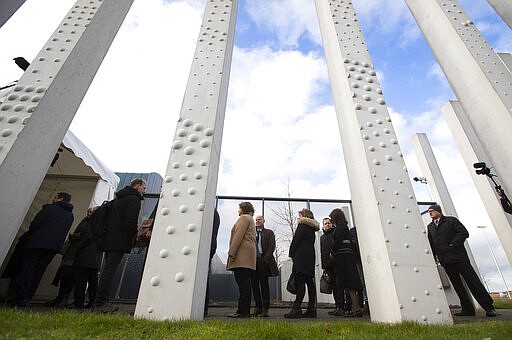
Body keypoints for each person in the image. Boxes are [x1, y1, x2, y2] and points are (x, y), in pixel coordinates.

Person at [426, 204, 497, 317]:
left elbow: (464, 232)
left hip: (459, 257)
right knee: (457, 285)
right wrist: (434, 257)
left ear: (439, 211)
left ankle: (489, 308)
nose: (430, 213)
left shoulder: (451, 221)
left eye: (432, 211)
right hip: (445, 260)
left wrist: (453, 244)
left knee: (473, 282)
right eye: (429, 211)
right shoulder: (430, 227)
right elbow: (431, 243)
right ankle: (467, 309)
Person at [93, 178, 145, 313]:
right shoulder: (134, 200)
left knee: (106, 271)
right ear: (138, 186)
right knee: (109, 271)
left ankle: (100, 301)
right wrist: (133, 238)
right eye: (143, 188)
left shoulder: (118, 199)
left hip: (109, 239)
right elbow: (130, 222)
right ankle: (100, 303)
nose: (144, 191)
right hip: (120, 240)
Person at [15, 192, 74, 306]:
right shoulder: (70, 215)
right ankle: (29, 296)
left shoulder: (49, 208)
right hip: (53, 247)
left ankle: (22, 296)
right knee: (39, 271)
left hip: (37, 243)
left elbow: (35, 224)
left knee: (28, 270)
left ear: (59, 199)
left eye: (55, 197)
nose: (53, 198)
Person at [284, 208, 319, 319]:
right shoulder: (312, 228)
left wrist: (291, 253)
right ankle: (311, 309)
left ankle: (296, 308)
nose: (298, 218)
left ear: (304, 216)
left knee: (300, 282)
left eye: (300, 215)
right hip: (310, 257)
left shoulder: (302, 225)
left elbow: (296, 240)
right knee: (309, 282)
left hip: (301, 257)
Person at [329, 208, 363, 317]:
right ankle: (355, 308)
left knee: (348, 283)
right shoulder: (344, 226)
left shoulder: (340, 227)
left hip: (343, 258)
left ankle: (356, 308)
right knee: (350, 284)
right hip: (347, 257)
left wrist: (332, 251)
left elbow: (338, 241)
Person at [226, 202, 256, 318]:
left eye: (239, 208)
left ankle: (242, 311)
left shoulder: (244, 218)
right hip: (248, 256)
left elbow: (238, 235)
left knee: (243, 285)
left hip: (241, 256)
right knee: (245, 285)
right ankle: (244, 311)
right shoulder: (250, 219)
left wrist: (231, 252)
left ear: (243, 209)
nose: (238, 211)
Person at [72, 207, 101, 309]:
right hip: (95, 257)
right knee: (93, 281)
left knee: (81, 281)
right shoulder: (102, 224)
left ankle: (78, 303)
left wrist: (78, 247)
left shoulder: (90, 223)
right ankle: (92, 302)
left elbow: (87, 237)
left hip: (85, 255)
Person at [250, 215, 279, 317]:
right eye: (256, 220)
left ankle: (265, 309)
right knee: (254, 285)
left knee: (264, 285)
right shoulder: (251, 233)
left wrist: (266, 258)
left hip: (264, 260)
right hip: (253, 261)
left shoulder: (269, 232)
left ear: (263, 221)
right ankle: (258, 307)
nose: (257, 221)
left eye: (259, 220)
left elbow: (272, 245)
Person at [320, 217, 338, 315]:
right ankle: (337, 306)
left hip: (336, 264)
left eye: (329, 223)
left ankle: (340, 306)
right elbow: (322, 251)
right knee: (333, 286)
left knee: (338, 286)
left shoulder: (335, 234)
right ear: (323, 225)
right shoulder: (322, 237)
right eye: (325, 223)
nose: (327, 224)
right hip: (327, 265)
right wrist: (323, 265)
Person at [204, 208, 220, 317]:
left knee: (202, 278)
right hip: (209, 246)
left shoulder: (210, 211)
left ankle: (202, 308)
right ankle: (203, 308)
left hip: (206, 247)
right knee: (203, 278)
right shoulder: (213, 212)